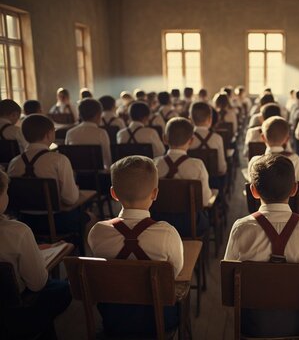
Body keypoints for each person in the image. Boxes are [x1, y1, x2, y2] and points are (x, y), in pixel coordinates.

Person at [224, 154, 299, 338]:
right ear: (295, 189)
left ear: (253, 191)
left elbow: (229, 280)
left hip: (254, 323)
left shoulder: (241, 228)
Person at [88, 156, 183, 337]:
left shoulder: (97, 232)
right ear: (154, 193)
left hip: (113, 318)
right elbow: (174, 273)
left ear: (113, 193)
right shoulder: (167, 233)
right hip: (157, 320)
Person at [0, 170, 72, 339]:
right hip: (14, 314)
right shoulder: (18, 232)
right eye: (5, 192)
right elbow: (37, 284)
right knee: (64, 289)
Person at [7, 114, 87, 234]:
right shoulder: (59, 160)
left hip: (24, 222)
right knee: (90, 219)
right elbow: (70, 199)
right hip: (55, 221)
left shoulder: (14, 163)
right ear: (49, 134)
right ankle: (70, 249)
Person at [248, 116, 299, 181]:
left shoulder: (254, 162)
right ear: (287, 139)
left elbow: (251, 187)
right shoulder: (295, 160)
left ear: (263, 138)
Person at [65, 98, 112, 168]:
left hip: (77, 176)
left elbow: (68, 158)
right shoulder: (101, 133)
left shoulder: (70, 133)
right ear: (98, 115)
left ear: (80, 115)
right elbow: (107, 159)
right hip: (97, 176)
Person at [189, 101, 227, 176]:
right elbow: (221, 169)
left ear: (190, 120)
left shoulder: (186, 138)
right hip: (213, 182)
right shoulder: (217, 138)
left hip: (192, 179)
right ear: (210, 119)